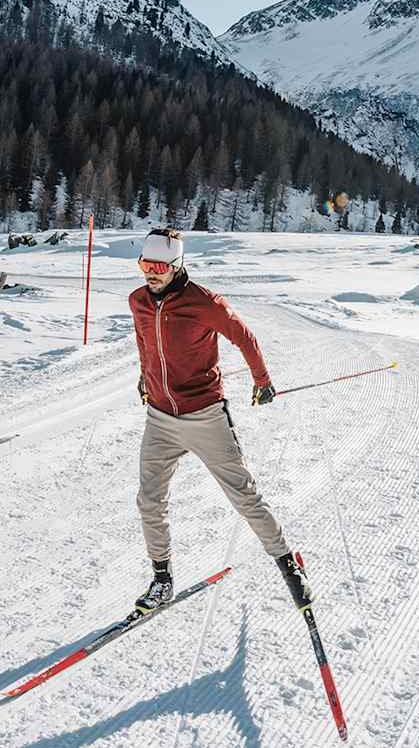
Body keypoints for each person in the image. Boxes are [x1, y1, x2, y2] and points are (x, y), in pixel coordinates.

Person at [128, 227, 310, 614]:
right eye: (145, 265)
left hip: (205, 416)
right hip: (160, 418)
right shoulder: (138, 301)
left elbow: (245, 338)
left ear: (177, 266)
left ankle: (288, 564)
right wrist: (146, 378)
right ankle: (162, 580)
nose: (151, 273)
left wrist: (262, 381)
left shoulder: (205, 302)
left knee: (244, 495)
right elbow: (145, 342)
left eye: (158, 266)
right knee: (149, 500)